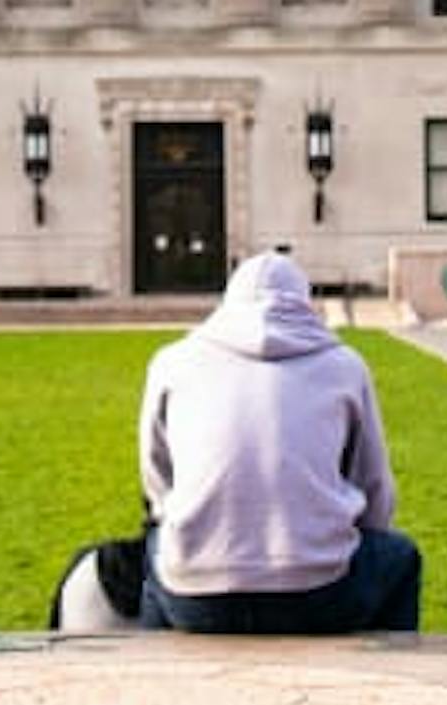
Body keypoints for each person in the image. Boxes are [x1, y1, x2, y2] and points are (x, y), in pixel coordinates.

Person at [136, 247, 420, 633]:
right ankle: (392, 680)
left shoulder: (172, 362)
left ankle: (154, 675)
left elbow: (157, 479)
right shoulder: (344, 366)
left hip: (197, 597)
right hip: (320, 592)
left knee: (159, 554)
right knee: (400, 557)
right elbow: (374, 485)